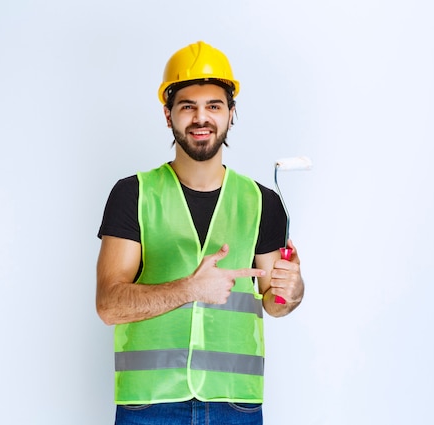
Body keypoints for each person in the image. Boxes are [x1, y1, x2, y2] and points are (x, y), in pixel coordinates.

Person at [96, 40, 305, 425]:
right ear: (167, 114)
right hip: (149, 406)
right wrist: (190, 289)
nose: (201, 117)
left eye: (214, 105)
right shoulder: (134, 194)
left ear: (231, 113)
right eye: (188, 106)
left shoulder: (263, 202)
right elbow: (109, 305)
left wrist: (293, 290)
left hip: (236, 406)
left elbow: (275, 302)